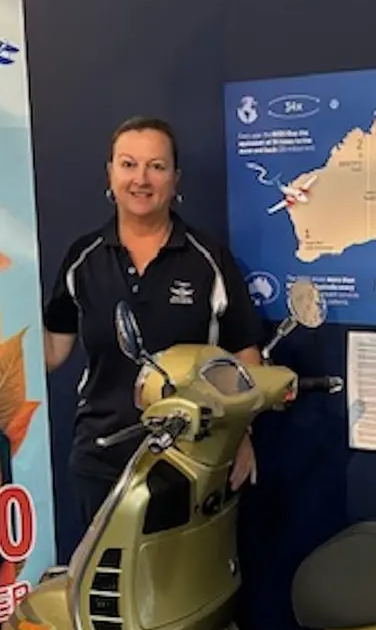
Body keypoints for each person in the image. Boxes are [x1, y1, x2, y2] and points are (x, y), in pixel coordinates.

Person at [42, 115, 266, 527]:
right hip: (101, 458)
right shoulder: (83, 257)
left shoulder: (207, 259)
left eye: (156, 166)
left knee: (182, 588)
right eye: (128, 164)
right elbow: (54, 349)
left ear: (175, 179)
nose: (141, 179)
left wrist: (241, 436)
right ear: (110, 173)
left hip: (191, 459)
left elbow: (245, 358)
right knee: (109, 586)